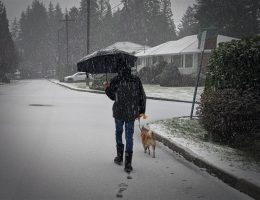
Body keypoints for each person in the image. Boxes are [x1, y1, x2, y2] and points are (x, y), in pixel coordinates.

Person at [104, 62, 146, 173]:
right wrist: (141, 111)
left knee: (118, 132)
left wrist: (107, 88)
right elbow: (142, 96)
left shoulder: (116, 80)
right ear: (129, 69)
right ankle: (128, 164)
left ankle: (119, 157)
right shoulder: (136, 80)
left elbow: (113, 97)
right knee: (129, 136)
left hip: (119, 112)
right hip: (131, 113)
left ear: (119, 70)